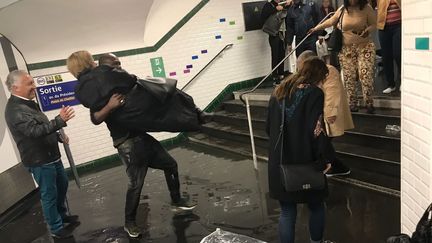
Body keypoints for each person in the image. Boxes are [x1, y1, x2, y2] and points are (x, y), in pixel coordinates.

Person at [89, 54, 197, 238]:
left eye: (119, 63)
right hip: (127, 143)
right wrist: (110, 106)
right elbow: (95, 118)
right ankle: (129, 223)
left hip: (142, 137)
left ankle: (177, 201)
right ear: (104, 68)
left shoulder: (125, 83)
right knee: (136, 184)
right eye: (114, 64)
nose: (118, 67)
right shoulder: (100, 91)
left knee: (170, 165)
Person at [266, 57, 334, 243]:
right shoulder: (314, 93)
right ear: (318, 75)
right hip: (306, 160)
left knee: (287, 212)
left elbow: (268, 128)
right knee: (316, 206)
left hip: (280, 161)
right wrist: (326, 158)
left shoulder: (278, 92)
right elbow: (317, 129)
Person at [4, 70, 78, 239]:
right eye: (29, 84)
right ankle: (56, 227)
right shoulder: (15, 110)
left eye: (33, 82)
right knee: (49, 194)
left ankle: (61, 215)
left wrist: (58, 136)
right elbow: (33, 131)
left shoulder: (28, 104)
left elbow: (42, 124)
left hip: (50, 155)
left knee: (62, 185)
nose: (34, 87)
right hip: (40, 160)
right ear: (15, 88)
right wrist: (59, 121)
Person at [67, 50, 206, 133]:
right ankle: (198, 115)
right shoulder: (102, 72)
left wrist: (108, 107)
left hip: (122, 124)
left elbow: (95, 118)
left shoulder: (78, 91)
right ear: (88, 62)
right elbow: (129, 79)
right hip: (136, 108)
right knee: (168, 88)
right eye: (91, 60)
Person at [310, 0, 377, 114]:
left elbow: (374, 24)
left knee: (365, 74)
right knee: (348, 77)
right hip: (347, 49)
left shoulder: (367, 8)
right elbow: (331, 21)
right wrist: (316, 28)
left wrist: (367, 31)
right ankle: (352, 103)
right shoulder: (342, 9)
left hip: (364, 47)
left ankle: (369, 102)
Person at [298, 50, 354, 176]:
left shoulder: (328, 70)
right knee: (322, 143)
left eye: (300, 64)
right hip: (317, 115)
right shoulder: (309, 74)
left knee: (322, 143)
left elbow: (332, 92)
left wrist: (330, 113)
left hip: (327, 113)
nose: (298, 67)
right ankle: (334, 166)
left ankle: (336, 167)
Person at [261, 0, 293, 83]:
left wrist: (290, 3)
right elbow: (263, 16)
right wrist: (275, 9)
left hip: (284, 33)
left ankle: (281, 73)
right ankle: (275, 75)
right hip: (274, 34)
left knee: (282, 54)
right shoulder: (269, 5)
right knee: (275, 54)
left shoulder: (284, 3)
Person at [377, 0, 401, 94]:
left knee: (398, 54)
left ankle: (402, 80)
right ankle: (391, 84)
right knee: (386, 57)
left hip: (398, 25)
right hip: (383, 27)